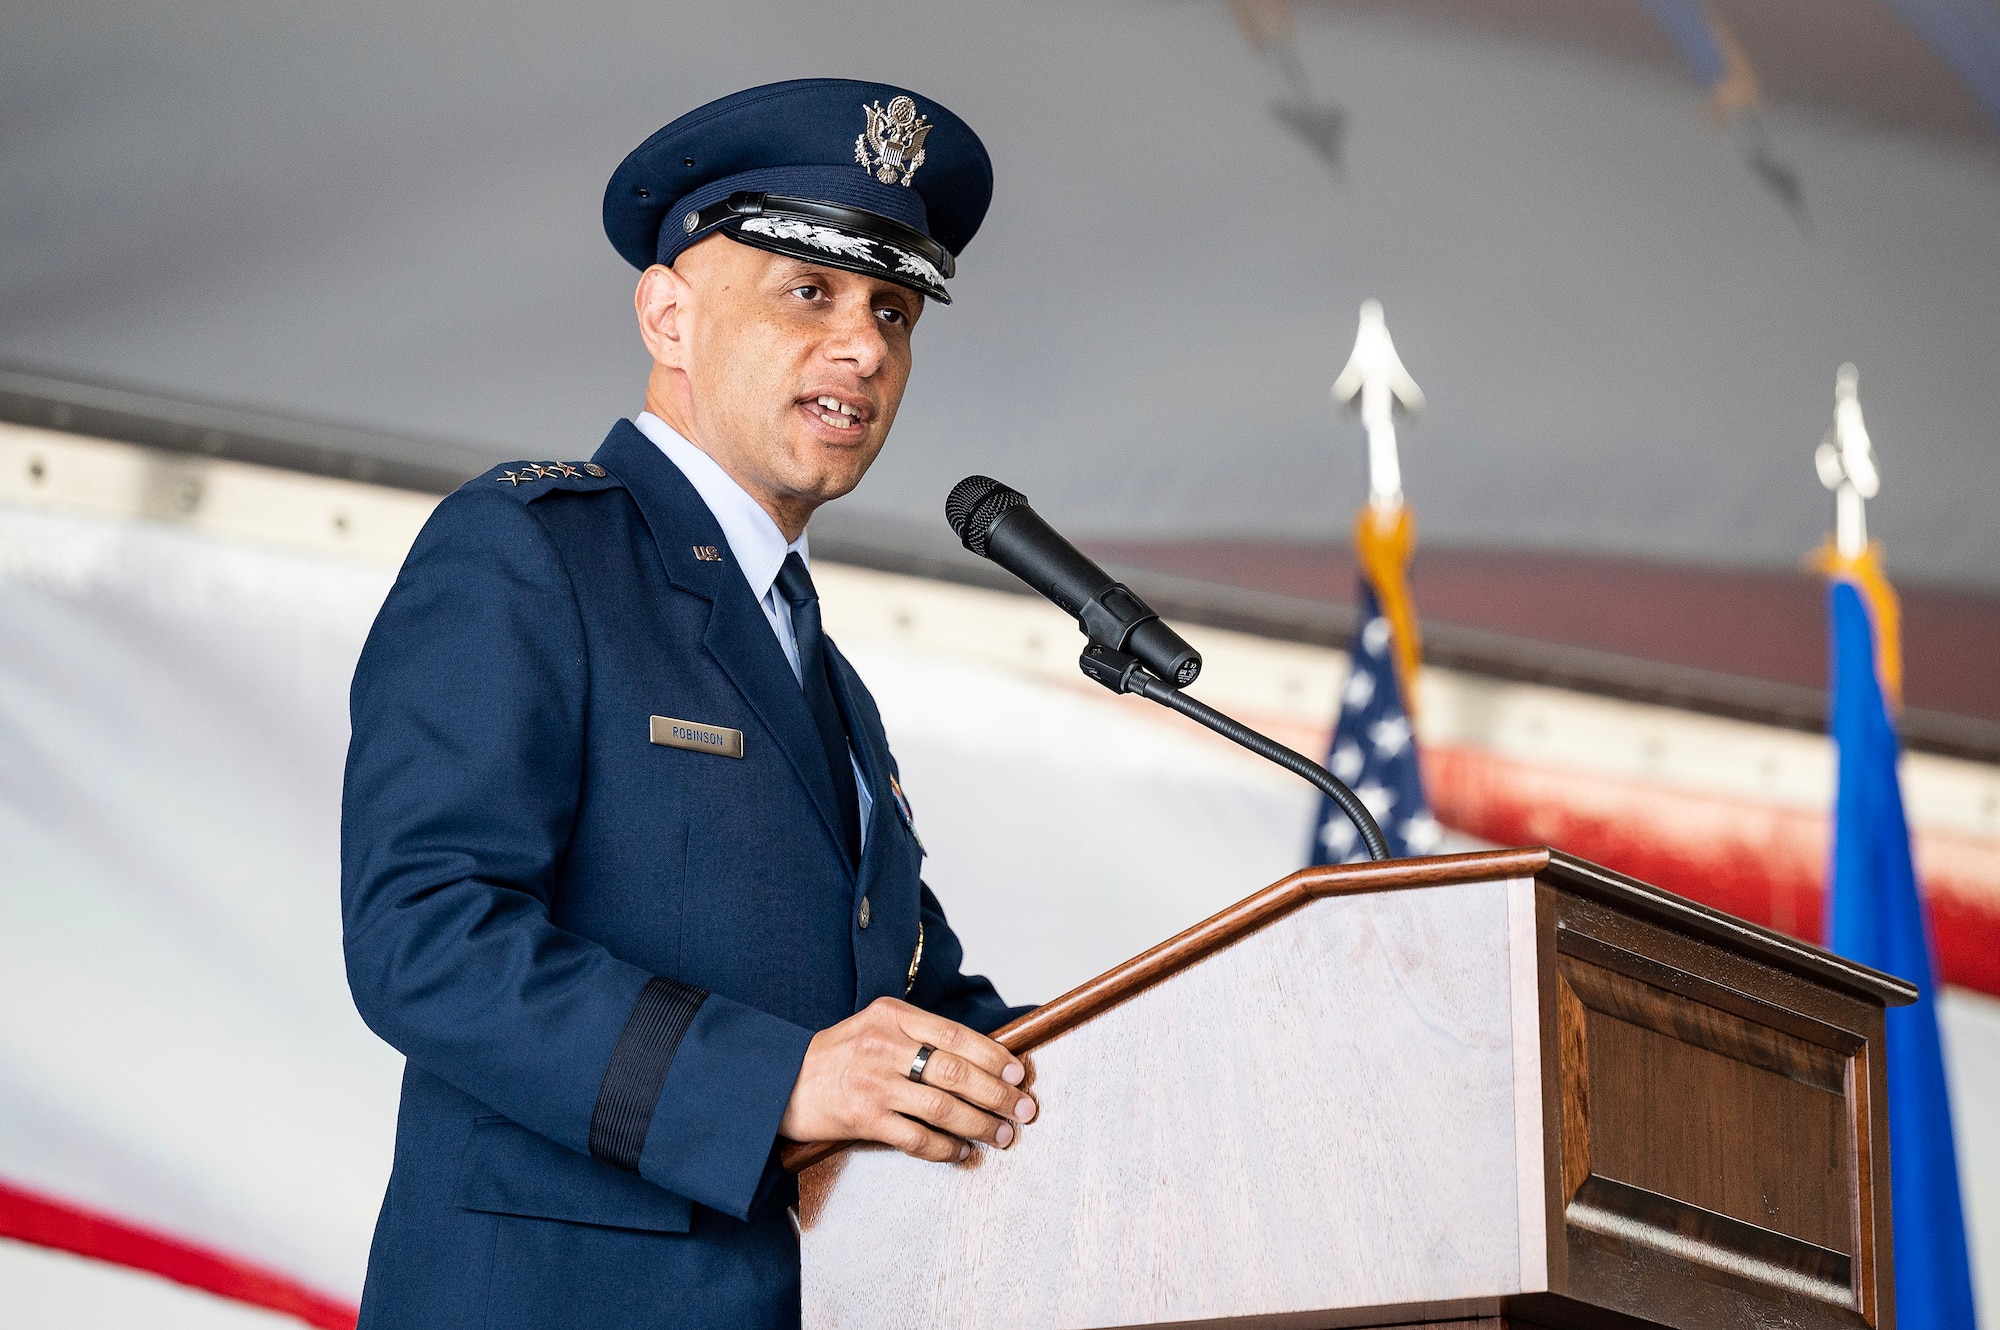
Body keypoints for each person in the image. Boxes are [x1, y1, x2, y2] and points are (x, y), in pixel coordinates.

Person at [340, 79, 1036, 1330]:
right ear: (667, 314)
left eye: (893, 307)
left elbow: (913, 1009)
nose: (866, 345)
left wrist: (1177, 1057)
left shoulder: (819, 673)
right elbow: (424, 938)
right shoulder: (526, 552)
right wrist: (778, 1081)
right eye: (806, 291)